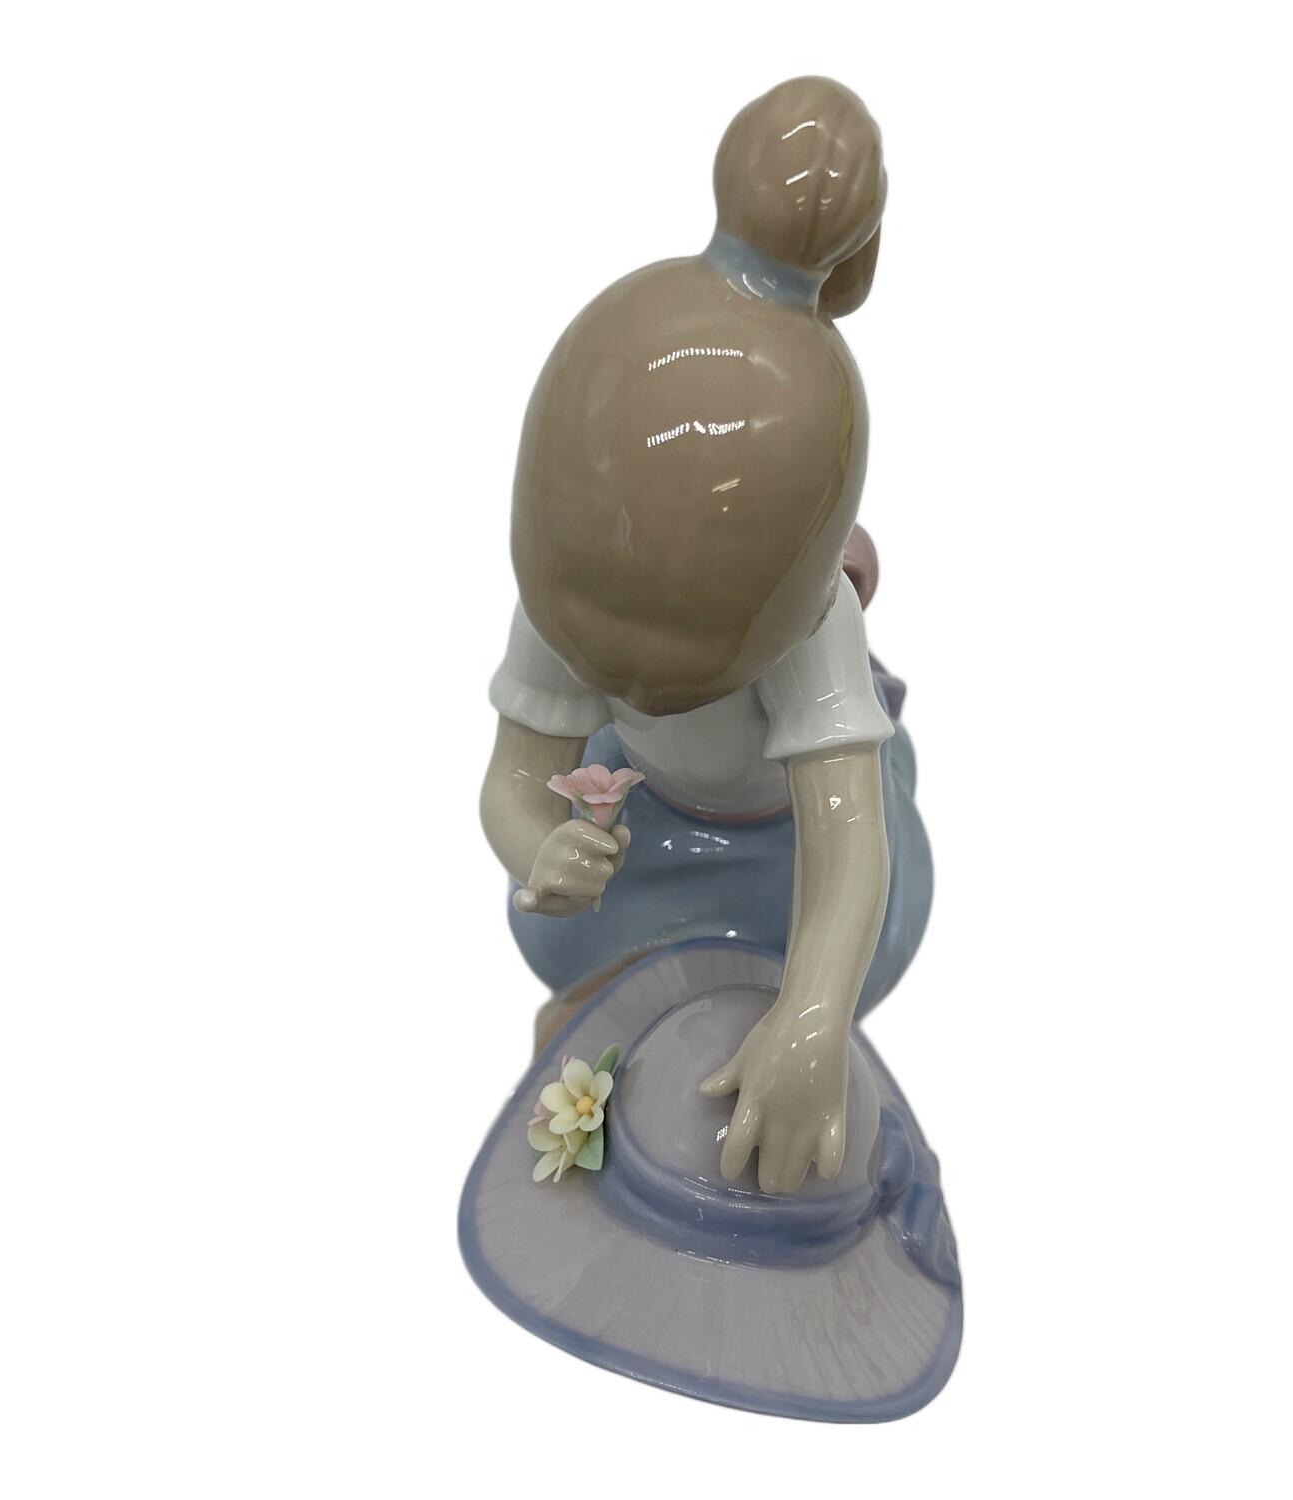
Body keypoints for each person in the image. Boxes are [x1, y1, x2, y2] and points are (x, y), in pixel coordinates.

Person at [479, 76, 931, 1195]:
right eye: (603, 654)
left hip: (780, 846)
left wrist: (814, 1016)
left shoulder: (812, 622)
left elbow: (847, 847)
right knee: (570, 941)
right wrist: (537, 847)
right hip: (645, 820)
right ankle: (603, 1049)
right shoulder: (570, 576)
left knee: (833, 954)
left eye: (685, 665)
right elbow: (514, 779)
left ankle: (781, 1058)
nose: (632, 681)